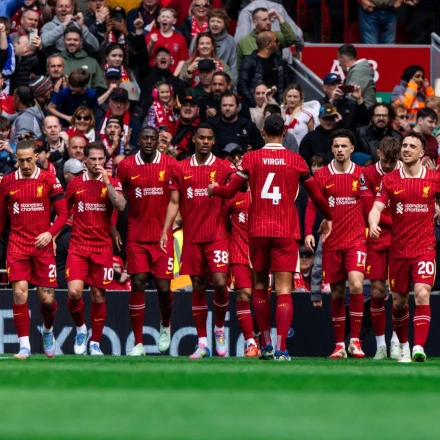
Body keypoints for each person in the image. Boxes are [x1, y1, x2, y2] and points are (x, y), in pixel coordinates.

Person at [207, 114, 333, 361]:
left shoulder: (251, 158)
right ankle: (281, 348)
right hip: (285, 231)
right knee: (284, 290)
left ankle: (265, 345)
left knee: (260, 287)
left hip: (257, 231)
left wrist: (214, 189)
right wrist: (329, 217)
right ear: (284, 133)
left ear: (263, 132)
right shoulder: (296, 160)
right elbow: (317, 196)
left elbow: (230, 191)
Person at [160, 123, 236, 359]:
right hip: (192, 237)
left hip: (217, 236)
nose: (205, 141)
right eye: (201, 137)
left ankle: (219, 328)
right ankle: (202, 342)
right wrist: (166, 230)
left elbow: (239, 187)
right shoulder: (180, 168)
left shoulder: (224, 166)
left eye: (209, 138)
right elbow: (174, 202)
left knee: (221, 283)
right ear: (194, 139)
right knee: (198, 285)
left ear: (214, 141)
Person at [369, 131, 440, 362]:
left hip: (424, 248)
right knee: (399, 302)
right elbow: (376, 208)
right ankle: (404, 346)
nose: (407, 149)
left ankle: (419, 347)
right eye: (405, 145)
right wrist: (373, 222)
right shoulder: (390, 180)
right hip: (398, 250)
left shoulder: (433, 179)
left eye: (412, 146)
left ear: (422, 153)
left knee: (422, 293)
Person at [0, 138, 68, 359]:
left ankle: (48, 330)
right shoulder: (7, 182)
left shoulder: (49, 179)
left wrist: (49, 234)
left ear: (36, 156)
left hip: (42, 246)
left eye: (29, 159)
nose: (26, 164)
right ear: (16, 159)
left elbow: (63, 214)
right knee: (19, 293)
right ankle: (25, 346)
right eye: (21, 160)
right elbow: (1, 218)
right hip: (17, 245)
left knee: (47, 301)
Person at [117, 126, 176, 356]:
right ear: (138, 141)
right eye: (145, 138)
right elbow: (118, 198)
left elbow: (177, 198)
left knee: (163, 288)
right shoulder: (126, 166)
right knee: (138, 283)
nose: (149, 142)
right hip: (137, 237)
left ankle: (166, 324)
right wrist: (113, 227)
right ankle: (139, 343)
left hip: (162, 236)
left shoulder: (170, 164)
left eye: (153, 138)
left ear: (158, 141)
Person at [309, 129, 367, 359]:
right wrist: (308, 232)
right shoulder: (322, 175)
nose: (340, 150)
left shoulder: (362, 175)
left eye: (344, 146)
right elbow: (312, 204)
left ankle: (355, 341)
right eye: (336, 146)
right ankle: (339, 345)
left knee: (356, 285)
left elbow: (372, 203)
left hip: (356, 240)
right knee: (337, 292)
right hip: (332, 241)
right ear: (331, 149)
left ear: (352, 148)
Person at [65, 141, 126, 356]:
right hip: (79, 245)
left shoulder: (113, 182)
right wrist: (52, 235)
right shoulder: (75, 184)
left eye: (101, 159)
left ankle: (95, 343)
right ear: (85, 160)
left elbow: (120, 205)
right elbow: (63, 212)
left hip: (102, 246)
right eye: (93, 159)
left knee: (98, 295)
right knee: (74, 292)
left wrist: (107, 183)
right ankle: (81, 329)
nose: (97, 163)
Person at [360, 136, 402, 360]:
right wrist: (401, 223)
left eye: (391, 162)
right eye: (385, 160)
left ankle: (396, 341)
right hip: (377, 239)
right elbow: (369, 210)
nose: (387, 165)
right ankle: (380, 345)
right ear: (378, 153)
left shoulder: (404, 173)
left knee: (399, 293)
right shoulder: (367, 175)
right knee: (377, 291)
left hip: (401, 240)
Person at [223, 166, 259, 357]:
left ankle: (260, 337)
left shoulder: (264, 193)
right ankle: (250, 342)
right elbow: (221, 221)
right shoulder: (235, 195)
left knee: (262, 298)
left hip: (262, 253)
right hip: (239, 252)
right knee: (244, 295)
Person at [238, 31, 292, 108]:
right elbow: (242, 86)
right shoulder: (249, 62)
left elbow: (287, 84)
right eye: (276, 41)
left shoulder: (279, 61)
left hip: (277, 107)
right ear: (268, 44)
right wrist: (255, 105)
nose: (278, 43)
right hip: (257, 108)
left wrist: (283, 103)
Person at [236, 7, 296, 71]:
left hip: (274, 75)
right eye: (264, 20)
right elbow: (239, 68)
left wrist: (278, 17)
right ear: (255, 22)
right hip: (254, 76)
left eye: (269, 19)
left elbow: (291, 39)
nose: (268, 22)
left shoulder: (275, 36)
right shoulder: (244, 41)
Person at [209, 91, 264, 156]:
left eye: (231, 105)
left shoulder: (248, 125)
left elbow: (260, 149)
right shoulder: (211, 125)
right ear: (220, 107)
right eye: (224, 105)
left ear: (237, 107)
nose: (227, 108)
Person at [191, 8, 236, 83]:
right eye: (212, 21)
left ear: (224, 25)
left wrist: (233, 86)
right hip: (199, 77)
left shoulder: (230, 40)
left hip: (220, 80)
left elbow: (233, 66)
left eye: (218, 22)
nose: (215, 24)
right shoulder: (199, 37)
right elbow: (191, 57)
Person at [140, 46, 186, 117]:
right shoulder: (147, 80)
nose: (163, 57)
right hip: (150, 118)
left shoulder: (178, 83)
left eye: (166, 55)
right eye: (159, 55)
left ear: (171, 61)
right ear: (155, 61)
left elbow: (182, 105)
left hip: (172, 119)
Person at [146, 7, 189, 76]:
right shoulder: (150, 36)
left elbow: (182, 60)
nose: (165, 19)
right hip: (153, 75)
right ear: (158, 19)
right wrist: (151, 43)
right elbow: (145, 57)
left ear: (174, 21)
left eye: (168, 17)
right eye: (163, 16)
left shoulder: (180, 38)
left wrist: (174, 77)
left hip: (172, 75)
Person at [337, 44, 376, 109]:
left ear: (343, 59)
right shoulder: (356, 70)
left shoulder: (359, 70)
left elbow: (351, 97)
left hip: (366, 112)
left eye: (339, 60)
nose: (339, 64)